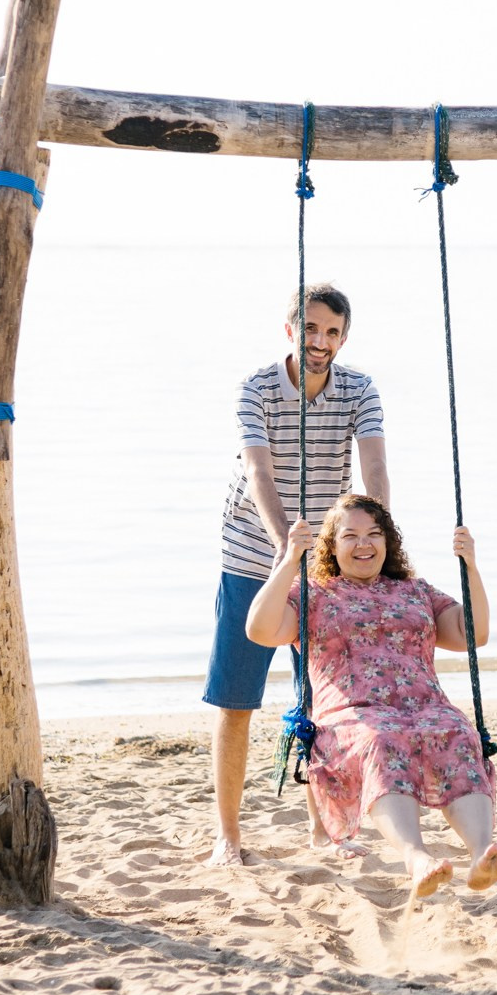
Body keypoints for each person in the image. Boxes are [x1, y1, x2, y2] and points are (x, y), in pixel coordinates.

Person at [245, 494, 497, 898]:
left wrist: (471, 567)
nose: (364, 544)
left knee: (459, 733)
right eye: (350, 536)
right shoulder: (314, 594)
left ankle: (481, 854)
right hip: (353, 715)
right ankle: (416, 858)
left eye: (374, 534)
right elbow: (259, 630)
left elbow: (471, 633)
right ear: (331, 546)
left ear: (388, 541)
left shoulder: (415, 590)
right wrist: (288, 561)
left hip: (427, 707)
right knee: (381, 740)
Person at [206, 284, 388, 867]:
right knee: (236, 699)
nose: (320, 342)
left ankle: (323, 830)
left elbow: (374, 466)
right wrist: (287, 545)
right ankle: (228, 837)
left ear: (344, 338)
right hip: (253, 555)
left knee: (321, 700)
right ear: (291, 331)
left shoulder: (359, 389)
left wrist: (375, 542)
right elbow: (258, 473)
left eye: (332, 332)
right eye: (310, 329)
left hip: (326, 562)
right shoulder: (257, 388)